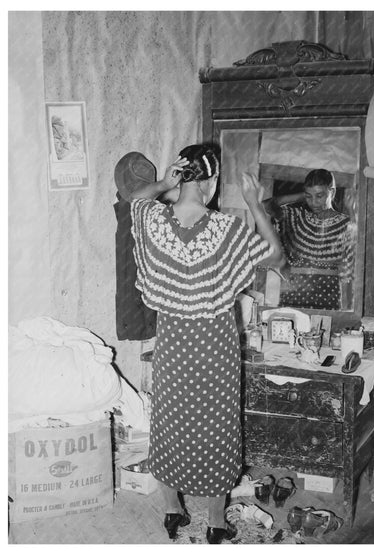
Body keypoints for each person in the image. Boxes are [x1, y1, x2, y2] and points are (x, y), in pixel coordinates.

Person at [118, 144, 285, 544]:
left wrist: (161, 184)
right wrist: (254, 202)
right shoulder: (228, 231)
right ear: (210, 184)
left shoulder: (153, 219)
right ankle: (215, 523)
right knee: (217, 430)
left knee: (170, 427)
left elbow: (132, 200)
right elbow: (276, 255)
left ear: (183, 178)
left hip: (174, 343)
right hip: (215, 347)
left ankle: (173, 513)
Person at [263, 168, 355, 310]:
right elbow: (267, 205)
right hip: (293, 293)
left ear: (333, 192)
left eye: (319, 196)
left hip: (328, 296)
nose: (314, 202)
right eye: (309, 196)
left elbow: (349, 270)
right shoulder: (297, 218)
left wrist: (347, 309)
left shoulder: (345, 224)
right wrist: (302, 196)